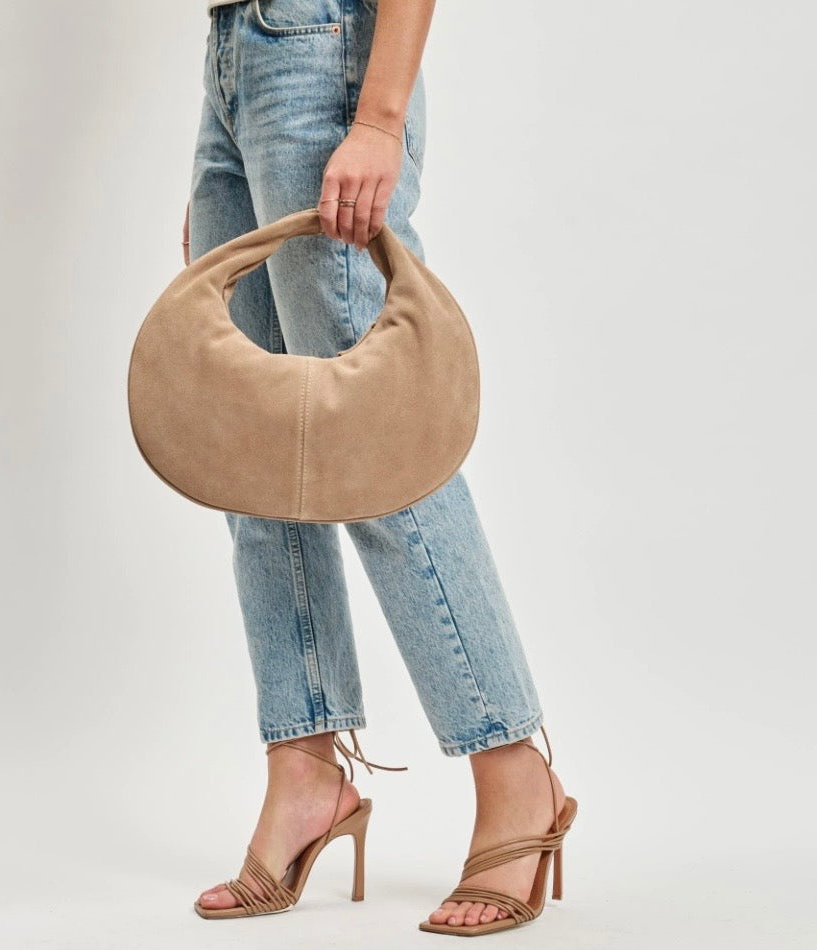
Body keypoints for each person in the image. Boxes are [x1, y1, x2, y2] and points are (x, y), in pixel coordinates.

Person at [186, 0, 577, 935]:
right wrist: (224, 132)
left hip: (321, 53)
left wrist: (379, 118)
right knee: (253, 455)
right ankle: (305, 774)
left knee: (381, 448)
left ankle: (516, 775)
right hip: (234, 58)